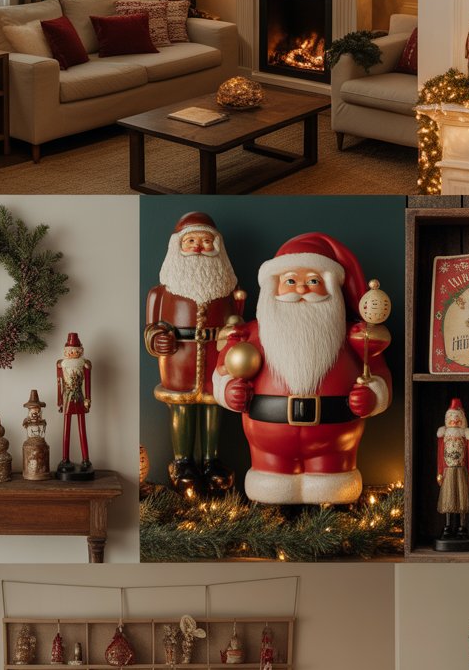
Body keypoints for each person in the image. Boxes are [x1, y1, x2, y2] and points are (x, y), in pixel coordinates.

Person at [214, 232, 391, 505]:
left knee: (331, 495)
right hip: (268, 445)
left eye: (313, 281)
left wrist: (373, 396)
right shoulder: (249, 334)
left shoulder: (354, 337)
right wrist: (228, 391)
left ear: (330, 287)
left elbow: (379, 375)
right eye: (291, 281)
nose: (300, 289)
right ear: (274, 286)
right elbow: (222, 371)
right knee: (272, 492)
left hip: (335, 445)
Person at [145, 213, 244, 494]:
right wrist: (157, 338)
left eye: (205, 240)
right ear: (177, 246)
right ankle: (183, 462)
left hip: (218, 354)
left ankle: (212, 460)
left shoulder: (229, 290)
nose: (199, 246)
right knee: (182, 407)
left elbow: (238, 323)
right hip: (178, 358)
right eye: (190, 241)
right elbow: (151, 328)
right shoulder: (160, 293)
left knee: (215, 405)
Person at [436, 399, 469, 543]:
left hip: (461, 471)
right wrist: (439, 472)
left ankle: (462, 527)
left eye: (457, 418)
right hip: (448, 471)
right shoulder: (444, 436)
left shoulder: (465, 436)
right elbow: (440, 456)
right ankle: (447, 527)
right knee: (448, 498)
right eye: (451, 418)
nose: (454, 421)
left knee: (462, 499)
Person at [56, 333, 93, 478]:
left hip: (79, 397)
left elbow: (88, 383)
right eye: (70, 350)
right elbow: (59, 384)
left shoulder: (85, 364)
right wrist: (59, 401)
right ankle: (65, 459)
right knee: (66, 429)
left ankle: (85, 459)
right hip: (67, 399)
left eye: (76, 350)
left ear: (80, 351)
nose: (73, 353)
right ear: (65, 352)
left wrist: (88, 399)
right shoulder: (61, 364)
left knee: (82, 428)